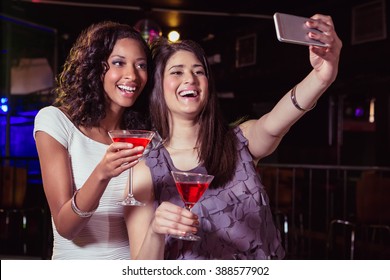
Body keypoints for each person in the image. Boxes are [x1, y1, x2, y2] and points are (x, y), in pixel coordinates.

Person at [128, 14, 342, 260]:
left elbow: (276, 121)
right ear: (158, 89)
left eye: (199, 71)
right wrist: (155, 231)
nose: (190, 79)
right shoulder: (145, 169)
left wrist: (321, 77)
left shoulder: (240, 141)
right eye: (177, 72)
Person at [33, 21, 153, 259]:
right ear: (96, 68)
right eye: (119, 63)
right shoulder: (55, 122)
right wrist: (102, 173)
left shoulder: (147, 135)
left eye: (141, 65)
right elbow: (66, 227)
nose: (132, 75)